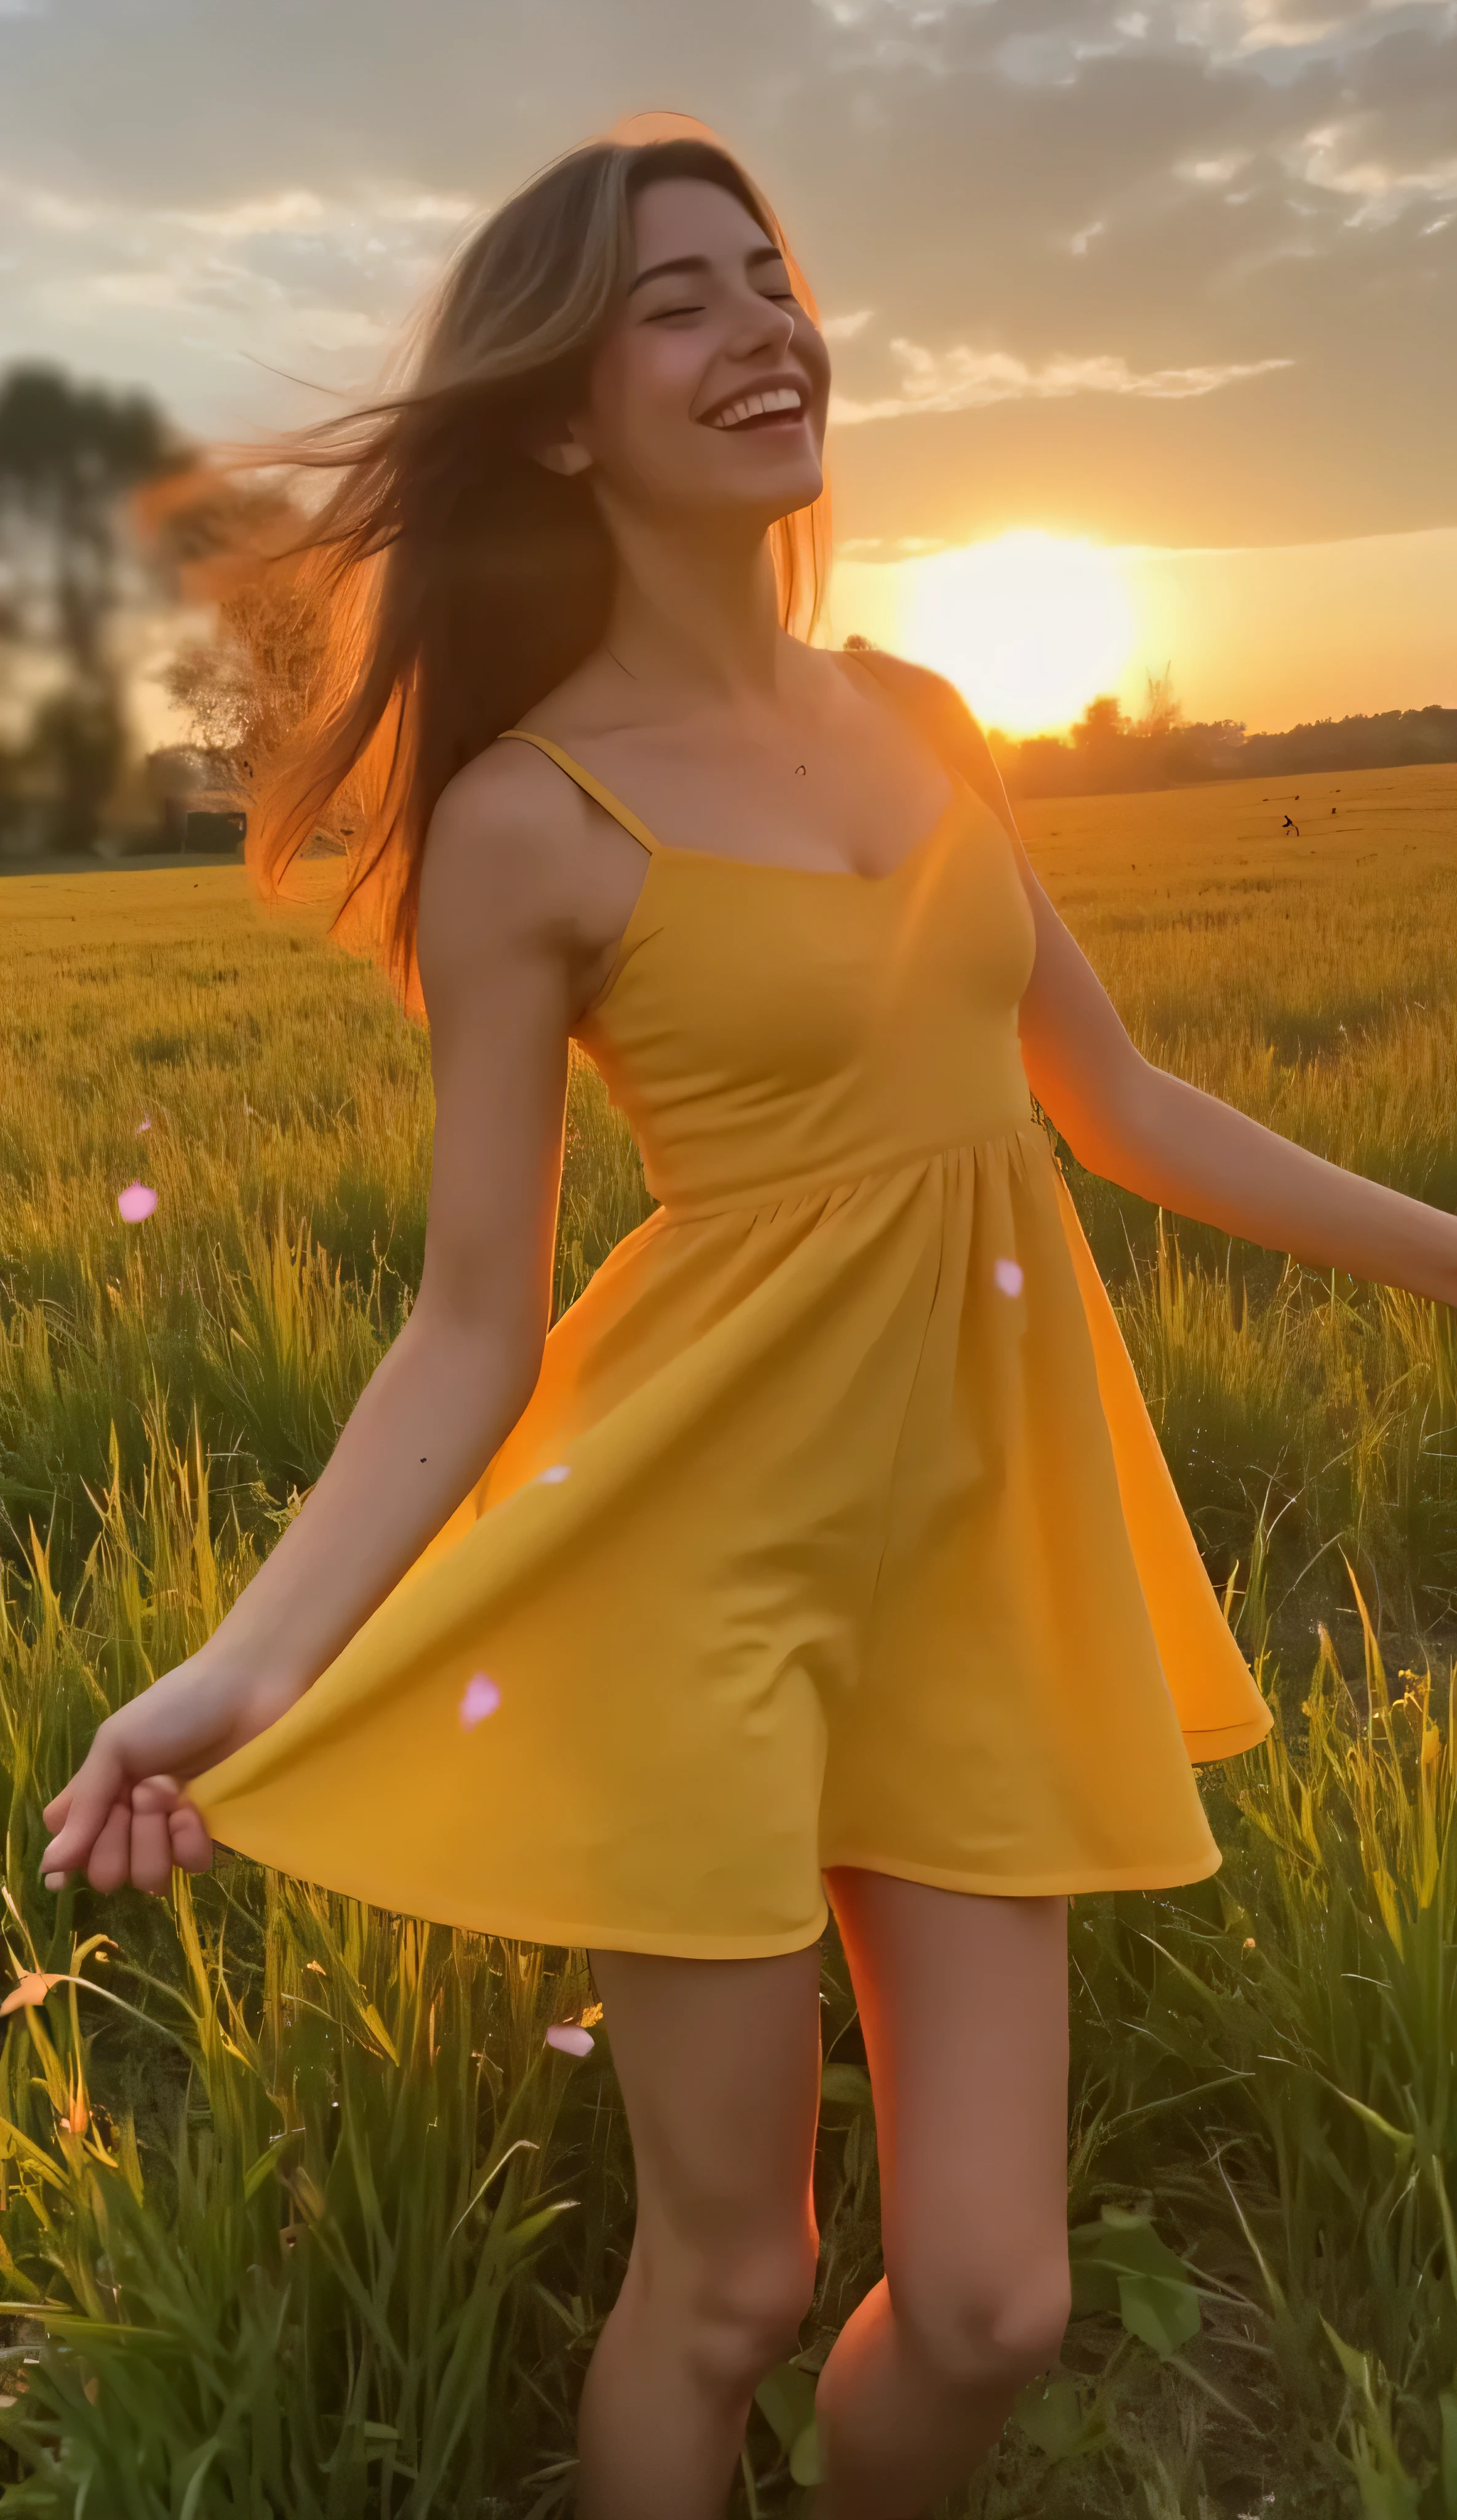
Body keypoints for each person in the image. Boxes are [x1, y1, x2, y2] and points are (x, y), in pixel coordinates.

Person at [39, 122, 1457, 2520]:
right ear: (565, 417)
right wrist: (246, 1661)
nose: (762, 323)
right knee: (730, 2284)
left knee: (998, 2298)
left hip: (976, 1550)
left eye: (766, 273)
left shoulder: (915, 707)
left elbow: (1108, 1098)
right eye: (673, 300)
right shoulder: (532, 816)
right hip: (699, 1567)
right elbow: (466, 1326)